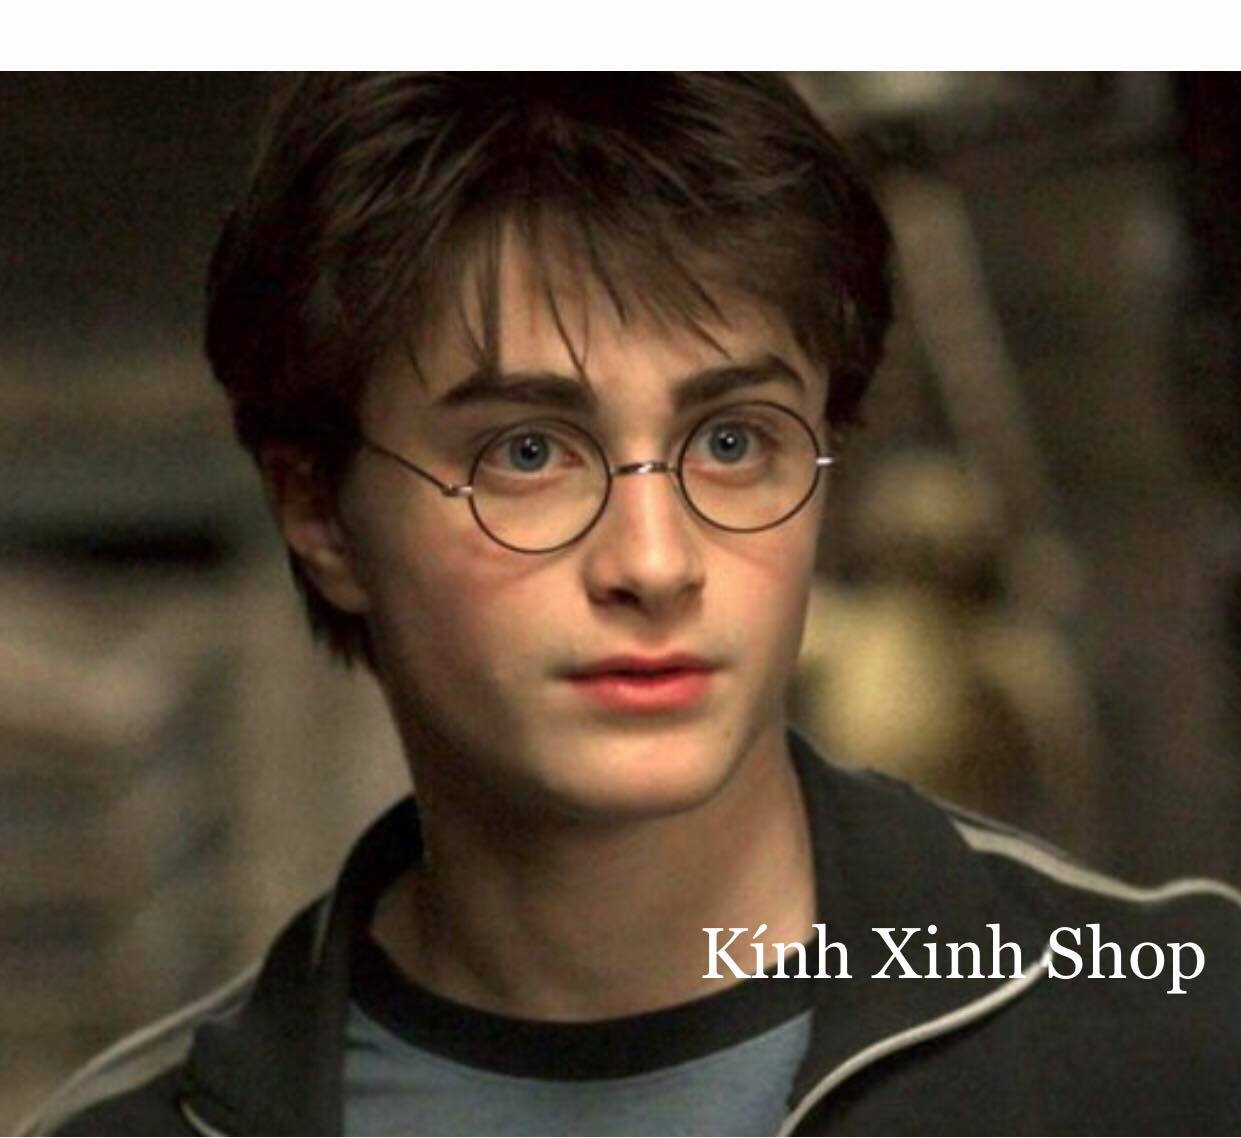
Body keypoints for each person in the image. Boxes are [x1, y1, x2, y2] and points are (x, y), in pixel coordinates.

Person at [24, 73, 1241, 1137]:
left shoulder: (1184, 1032)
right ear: (320, 513)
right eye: (526, 453)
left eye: (732, 440)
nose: (654, 562)